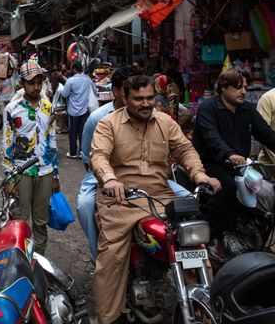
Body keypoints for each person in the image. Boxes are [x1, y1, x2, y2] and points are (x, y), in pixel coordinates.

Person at [90, 75, 220, 324]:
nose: (145, 103)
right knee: (112, 257)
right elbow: (99, 155)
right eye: (138, 98)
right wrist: (109, 180)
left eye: (150, 98)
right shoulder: (109, 124)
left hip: (159, 196)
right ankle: (108, 317)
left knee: (192, 245)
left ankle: (204, 307)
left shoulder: (165, 122)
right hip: (121, 200)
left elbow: (184, 149)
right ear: (124, 98)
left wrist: (199, 174)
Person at [192, 68, 275, 257]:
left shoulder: (247, 109)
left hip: (241, 167)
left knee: (268, 192)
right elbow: (212, 138)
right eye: (238, 88)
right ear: (223, 88)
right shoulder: (208, 108)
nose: (243, 92)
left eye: (245, 87)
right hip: (211, 165)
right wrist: (229, 154)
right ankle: (212, 237)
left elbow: (267, 135)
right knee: (227, 187)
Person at [77, 66, 136, 260]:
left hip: (139, 172)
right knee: (85, 207)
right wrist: (102, 177)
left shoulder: (145, 114)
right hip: (99, 175)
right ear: (116, 91)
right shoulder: (97, 118)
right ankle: (99, 257)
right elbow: (87, 156)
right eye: (128, 89)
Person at [2, 61, 59, 255]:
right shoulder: (11, 109)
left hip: (45, 171)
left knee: (41, 222)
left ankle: (39, 263)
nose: (36, 87)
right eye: (31, 83)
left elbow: (52, 140)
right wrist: (9, 179)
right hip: (21, 172)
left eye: (39, 82)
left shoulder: (48, 108)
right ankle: (20, 261)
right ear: (22, 84)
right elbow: (7, 144)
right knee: (19, 220)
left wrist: (55, 175)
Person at [61, 61, 97, 159]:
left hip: (73, 111)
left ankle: (73, 152)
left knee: (72, 132)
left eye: (72, 68)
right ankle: (82, 152)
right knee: (82, 132)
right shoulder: (87, 79)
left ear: (75, 69)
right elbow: (95, 91)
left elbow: (64, 94)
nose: (71, 70)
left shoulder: (70, 80)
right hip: (84, 110)